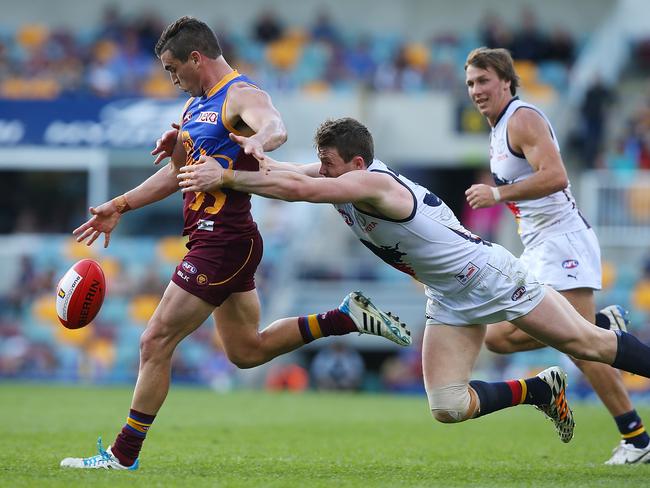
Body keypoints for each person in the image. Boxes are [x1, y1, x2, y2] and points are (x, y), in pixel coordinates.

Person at [60, 17, 411, 471]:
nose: (172, 79)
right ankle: (342, 318)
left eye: (173, 69)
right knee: (247, 352)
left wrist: (259, 144)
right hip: (224, 240)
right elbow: (176, 174)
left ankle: (122, 455)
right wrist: (120, 205)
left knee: (154, 340)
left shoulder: (240, 94)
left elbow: (275, 126)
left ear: (195, 58)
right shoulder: (195, 108)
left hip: (221, 241)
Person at [177, 116, 650, 451]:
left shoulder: (375, 186)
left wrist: (231, 180)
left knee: (588, 344)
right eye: (320, 161)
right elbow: (286, 173)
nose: (321, 168)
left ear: (358, 163)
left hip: (489, 277)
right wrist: (225, 153)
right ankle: (541, 390)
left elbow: (301, 189)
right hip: (448, 295)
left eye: (329, 163)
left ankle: (608, 342)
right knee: (447, 406)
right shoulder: (343, 176)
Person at [463, 47, 650, 465]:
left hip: (562, 240)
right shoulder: (497, 129)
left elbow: (556, 176)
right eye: (471, 83)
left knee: (582, 344)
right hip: (540, 245)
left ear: (507, 81)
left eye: (484, 81)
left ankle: (636, 438)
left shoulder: (522, 118)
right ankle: (601, 329)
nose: (476, 90)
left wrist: (497, 193)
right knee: (499, 338)